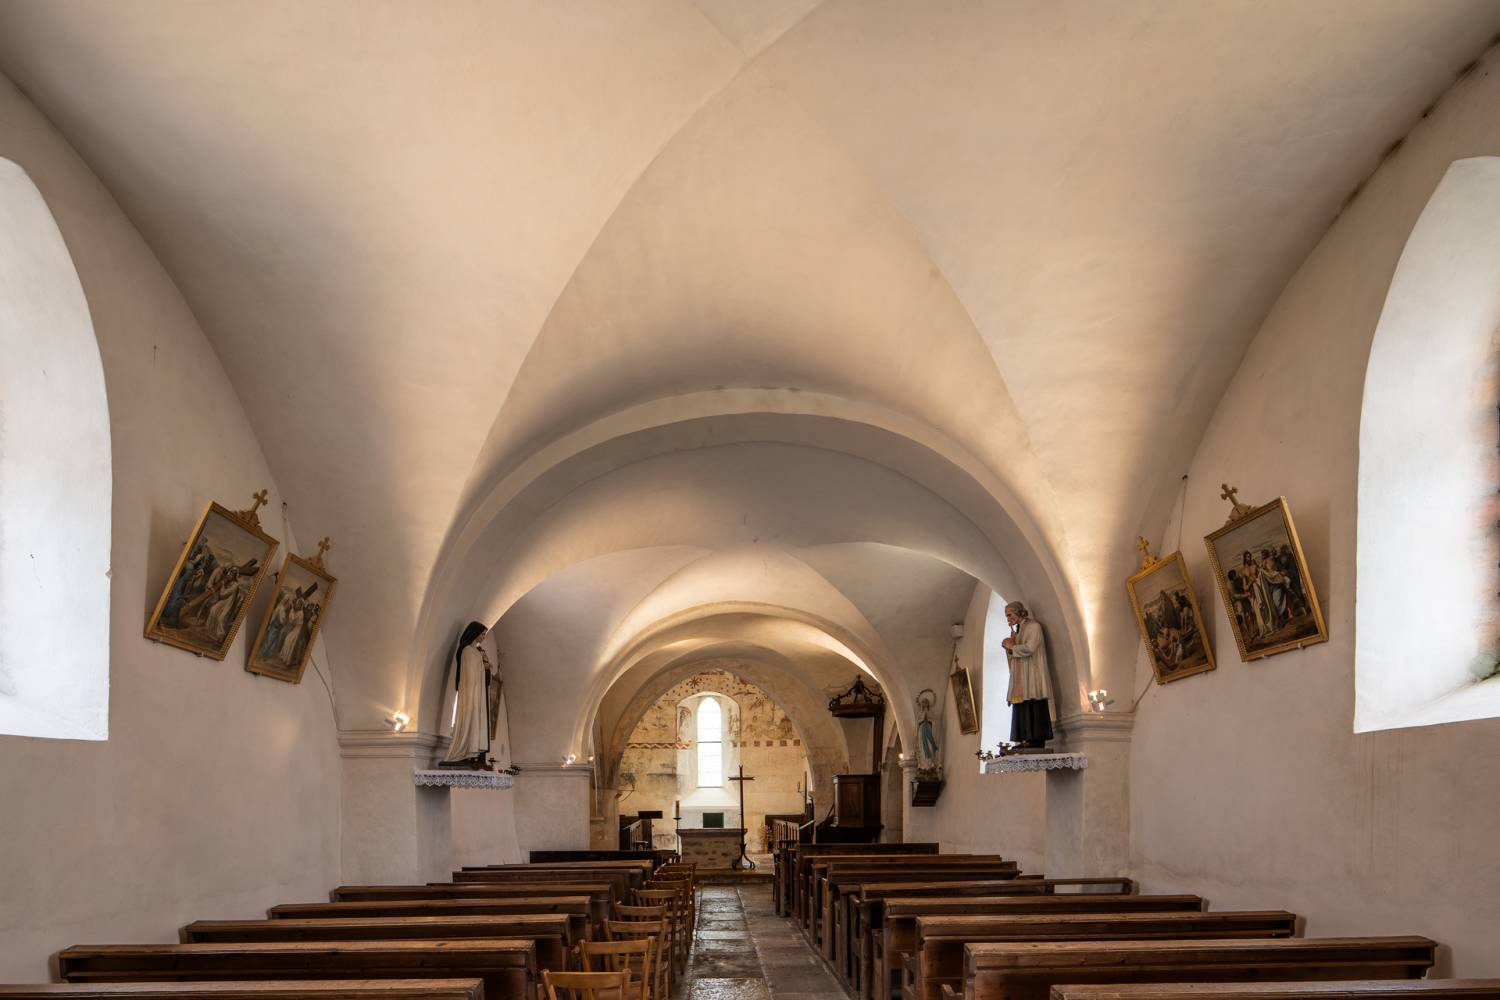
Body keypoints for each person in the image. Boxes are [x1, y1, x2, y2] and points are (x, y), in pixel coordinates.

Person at [441, 620, 495, 770]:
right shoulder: (467, 651)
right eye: (482, 634)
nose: (483, 637)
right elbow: (469, 676)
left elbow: (481, 673)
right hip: (471, 692)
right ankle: (466, 749)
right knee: (470, 718)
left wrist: (486, 668)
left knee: (477, 720)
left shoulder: (476, 651)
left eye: (484, 634)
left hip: (478, 692)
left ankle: (472, 750)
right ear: (474, 633)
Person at [1001, 601, 1054, 749]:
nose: (1008, 619)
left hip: (1032, 673)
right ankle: (1023, 740)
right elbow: (1014, 654)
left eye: (1009, 615)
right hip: (1021, 675)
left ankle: (1036, 740)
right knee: (1022, 705)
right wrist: (1008, 647)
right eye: (1006, 616)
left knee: (1033, 704)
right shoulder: (1017, 631)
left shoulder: (1033, 626)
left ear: (1019, 612)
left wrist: (1012, 647)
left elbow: (1030, 648)